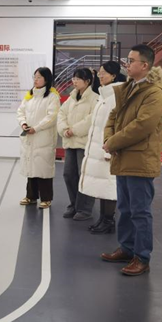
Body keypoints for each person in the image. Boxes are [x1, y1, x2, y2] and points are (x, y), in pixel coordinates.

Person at [100, 45, 162, 276]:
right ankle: (127, 249)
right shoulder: (129, 87)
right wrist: (108, 138)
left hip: (140, 159)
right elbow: (113, 116)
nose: (126, 64)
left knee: (140, 211)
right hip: (124, 157)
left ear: (145, 65)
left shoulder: (154, 93)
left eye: (131, 60)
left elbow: (142, 126)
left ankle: (142, 256)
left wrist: (112, 142)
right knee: (125, 208)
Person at [80, 61, 127, 234]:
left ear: (114, 75)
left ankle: (108, 221)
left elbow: (117, 125)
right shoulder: (104, 95)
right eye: (99, 72)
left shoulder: (116, 96)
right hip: (99, 148)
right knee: (101, 186)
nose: (100, 75)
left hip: (107, 149)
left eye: (104, 73)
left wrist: (110, 149)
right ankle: (103, 219)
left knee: (108, 185)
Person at [57, 68, 98, 220]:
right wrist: (64, 129)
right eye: (73, 78)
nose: (74, 81)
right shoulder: (71, 98)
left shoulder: (95, 98)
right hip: (70, 143)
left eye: (78, 79)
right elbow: (61, 114)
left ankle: (85, 209)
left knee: (84, 176)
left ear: (87, 81)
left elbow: (91, 119)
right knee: (69, 175)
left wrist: (73, 130)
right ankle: (74, 205)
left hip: (83, 143)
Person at [17, 67, 60, 209]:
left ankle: (46, 198)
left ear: (46, 79)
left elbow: (52, 117)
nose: (35, 80)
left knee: (43, 168)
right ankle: (31, 196)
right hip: (30, 137)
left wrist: (36, 128)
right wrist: (23, 124)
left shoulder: (52, 96)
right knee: (31, 166)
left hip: (43, 137)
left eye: (39, 77)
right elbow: (20, 111)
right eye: (34, 77)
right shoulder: (30, 95)